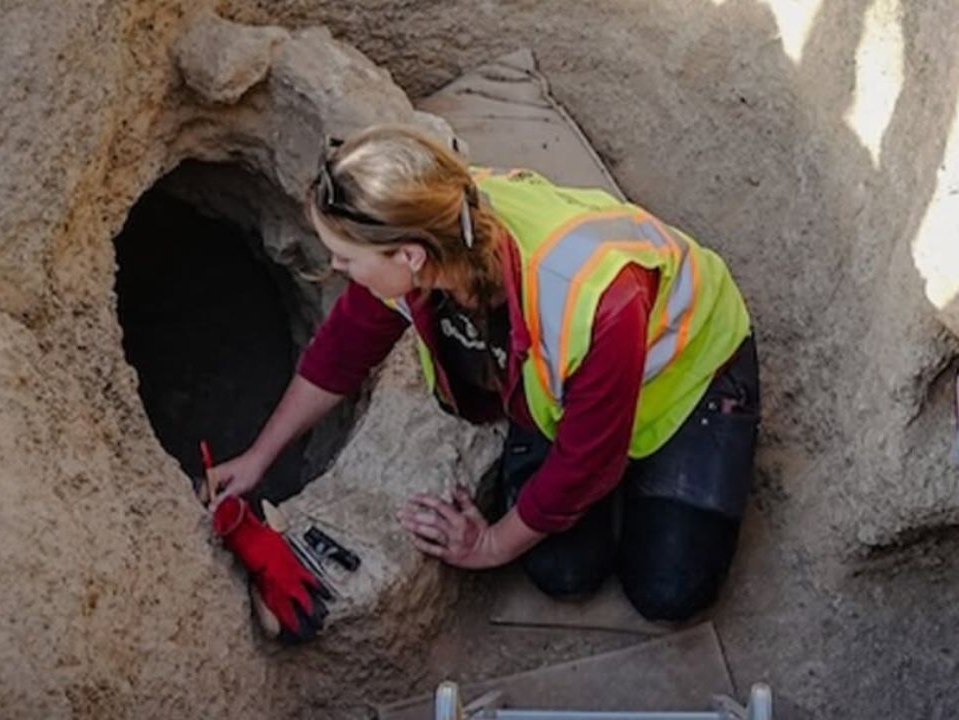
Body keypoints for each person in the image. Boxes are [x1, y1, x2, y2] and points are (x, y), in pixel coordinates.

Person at [209, 125, 759, 627]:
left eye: (346, 258)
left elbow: (589, 461)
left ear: (410, 256)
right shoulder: (435, 223)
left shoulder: (589, 298)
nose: (337, 269)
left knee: (670, 591)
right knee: (563, 573)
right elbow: (340, 353)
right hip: (573, 402)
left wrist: (491, 544)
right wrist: (261, 456)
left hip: (688, 378)